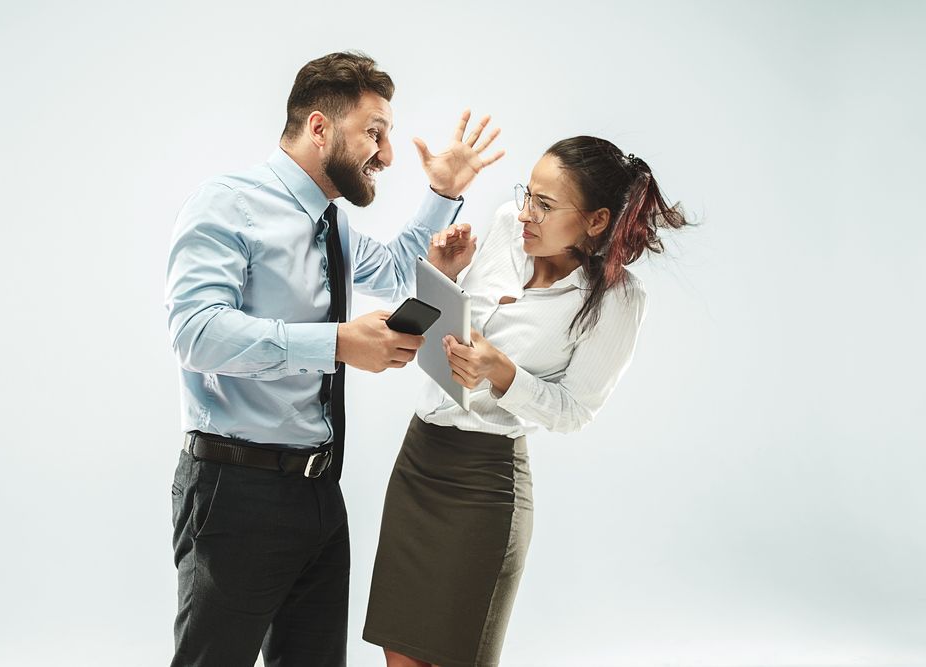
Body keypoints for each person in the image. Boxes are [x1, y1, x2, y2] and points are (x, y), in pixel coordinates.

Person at [164, 50, 503, 667]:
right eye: (374, 133)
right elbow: (197, 332)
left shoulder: (332, 223)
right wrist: (337, 343)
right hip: (235, 490)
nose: (389, 154)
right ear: (319, 128)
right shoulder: (226, 204)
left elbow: (398, 267)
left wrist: (443, 193)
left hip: (319, 494)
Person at [363, 135, 690, 667]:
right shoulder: (501, 230)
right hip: (420, 461)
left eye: (544, 204)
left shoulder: (618, 300)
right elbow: (427, 329)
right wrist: (440, 274)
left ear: (597, 221)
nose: (525, 214)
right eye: (527, 195)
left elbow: (575, 411)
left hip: (485, 485)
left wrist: (503, 374)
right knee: (400, 657)